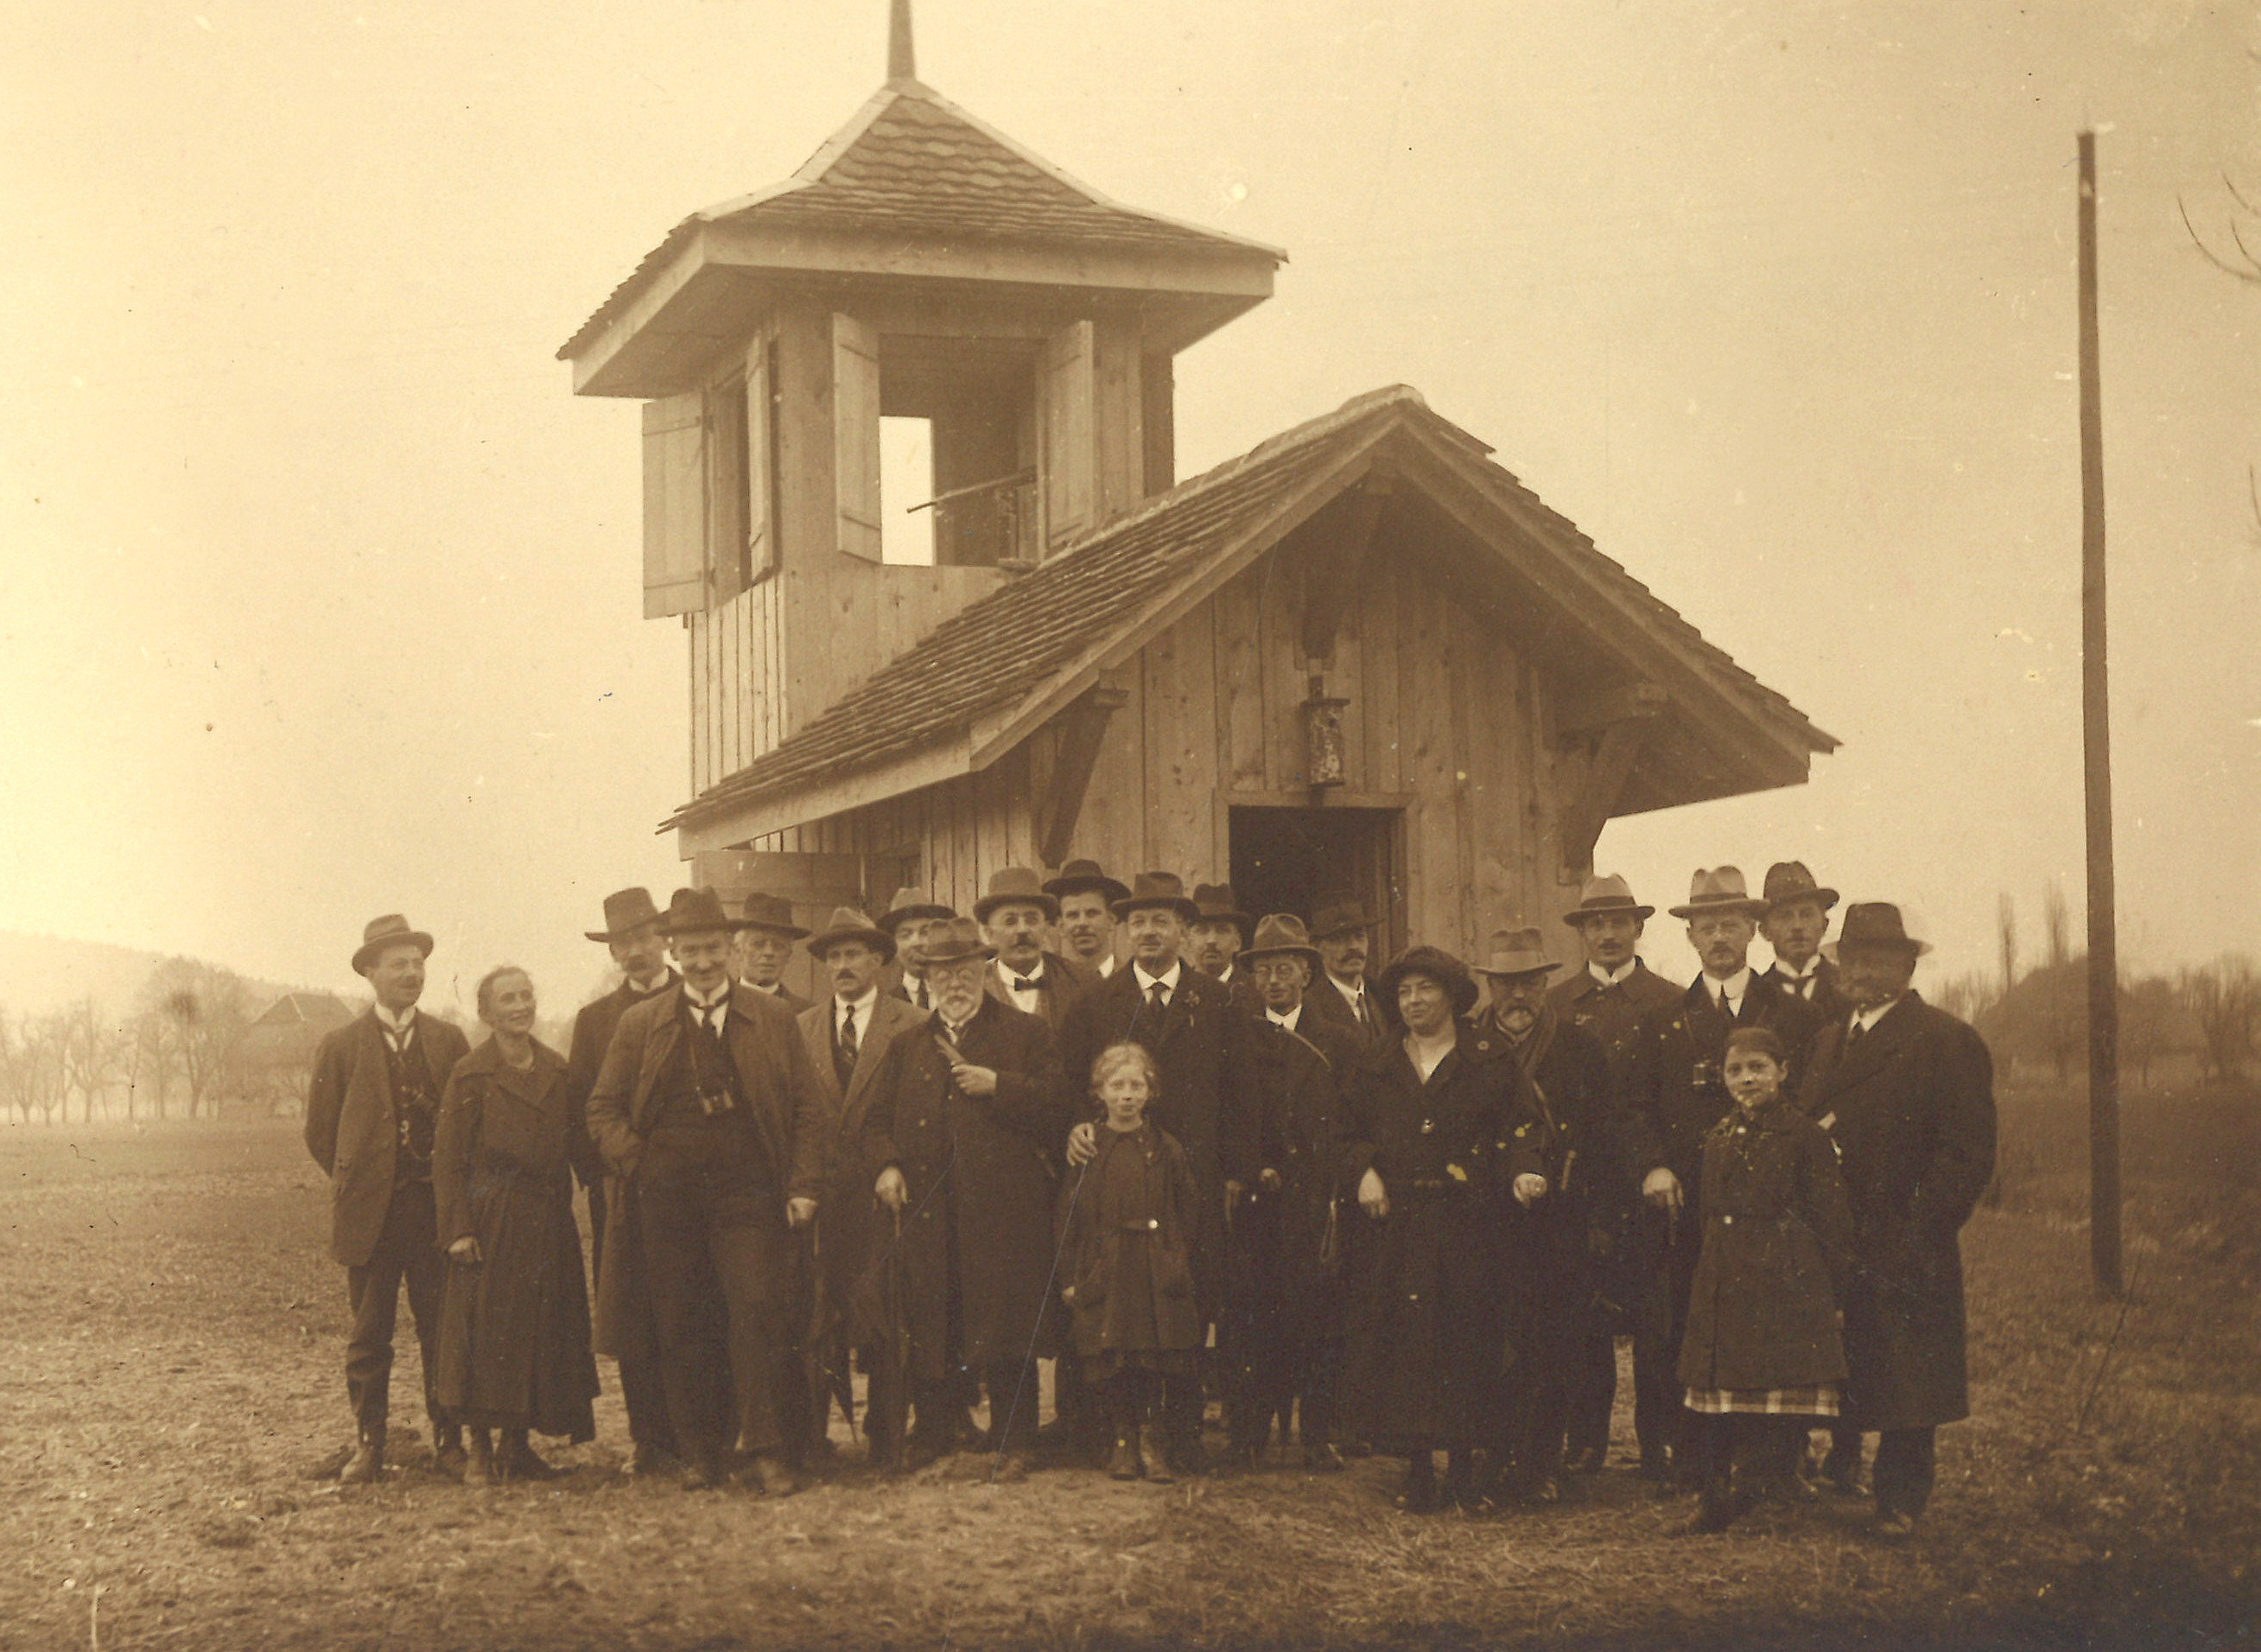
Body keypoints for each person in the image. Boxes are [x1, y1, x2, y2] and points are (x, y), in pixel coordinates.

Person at [585, 886, 829, 1493]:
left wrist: (801, 1184)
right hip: (667, 1203)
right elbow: (602, 1110)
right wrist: (639, 1163)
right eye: (689, 951)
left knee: (755, 1313)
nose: (700, 964)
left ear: (732, 949)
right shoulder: (641, 1024)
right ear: (673, 950)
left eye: (712, 950)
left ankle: (765, 1448)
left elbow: (806, 1109)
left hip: (748, 1197)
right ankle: (700, 1453)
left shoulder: (772, 1020)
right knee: (682, 1322)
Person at [1796, 904, 1996, 1537]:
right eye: (1851, 958)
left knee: (1911, 1375)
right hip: (1837, 1235)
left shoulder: (1943, 1038)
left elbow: (1965, 1152)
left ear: (1907, 966)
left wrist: (1921, 1228)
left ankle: (1901, 1498)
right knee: (1851, 1361)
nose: (1861, 970)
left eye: (1878, 958)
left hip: (1907, 1235)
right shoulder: (1829, 1040)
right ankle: (1837, 1473)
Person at [1622, 867, 1822, 1485]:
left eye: (1730, 923)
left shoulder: (1790, 1014)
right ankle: (1692, 1455)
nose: (1717, 937)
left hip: (1769, 1204)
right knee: (1688, 1321)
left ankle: (1772, 1460)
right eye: (1704, 925)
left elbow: (1812, 1102)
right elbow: (1634, 1108)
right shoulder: (1662, 1018)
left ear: (1751, 930)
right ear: (1688, 937)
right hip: (1689, 1203)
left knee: (1768, 1322)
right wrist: (1652, 1165)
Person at [1058, 871, 1261, 1473]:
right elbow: (1068, 1085)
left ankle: (1180, 1432)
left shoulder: (1219, 1000)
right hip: (1118, 1176)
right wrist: (1075, 1127)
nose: (1149, 932)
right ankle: (1114, 1435)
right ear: (1126, 929)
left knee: (1185, 1302)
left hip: (1190, 1184)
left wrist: (1235, 1174)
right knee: (1116, 1304)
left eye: (1162, 921)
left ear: (1183, 930)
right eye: (1139, 921)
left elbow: (1242, 1094)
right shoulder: (1095, 1002)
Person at [1340, 945, 1545, 1513]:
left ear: (1451, 997)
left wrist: (1525, 1168)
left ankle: (1461, 1468)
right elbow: (1344, 1132)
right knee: (1406, 1343)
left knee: (1466, 1338)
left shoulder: (1487, 1057)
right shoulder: (1376, 1062)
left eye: (1424, 990)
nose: (1413, 1001)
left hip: (1471, 1224)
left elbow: (1522, 1124)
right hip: (1399, 1226)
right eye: (1403, 993)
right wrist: (1363, 1173)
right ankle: (1415, 1470)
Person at [862, 917, 1070, 1477]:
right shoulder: (906, 1045)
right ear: (925, 979)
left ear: (983, 971)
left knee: (1006, 1321)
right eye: (941, 973)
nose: (954, 983)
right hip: (930, 1213)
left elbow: (1058, 1103)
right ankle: (936, 1431)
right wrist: (885, 1165)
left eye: (964, 970)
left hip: (1004, 1211)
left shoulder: (1026, 1035)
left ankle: (1014, 1439)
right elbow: (874, 1120)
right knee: (936, 1319)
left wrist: (1000, 1085)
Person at [304, 914, 473, 1484]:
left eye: (418, 963)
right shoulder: (341, 1046)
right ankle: (370, 1444)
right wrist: (364, 1181)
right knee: (370, 1334)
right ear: (370, 971)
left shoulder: (448, 1041)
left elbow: (466, 1124)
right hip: (370, 1219)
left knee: (442, 1329)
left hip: (433, 1214)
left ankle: (448, 1441)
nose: (411, 973)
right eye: (398, 963)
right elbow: (321, 1134)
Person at [1678, 1026, 1855, 1534]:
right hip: (1725, 1276)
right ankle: (1714, 1497)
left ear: (1782, 1072)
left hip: (1783, 1276)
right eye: (1735, 1070)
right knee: (1720, 1395)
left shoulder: (1805, 1137)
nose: (1746, 1079)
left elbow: (1830, 1218)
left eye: (1758, 1067)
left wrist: (1831, 1290)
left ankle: (1764, 1490)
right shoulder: (1717, 1137)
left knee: (1772, 1393)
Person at [1475, 925, 1624, 1504]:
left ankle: (1541, 1462)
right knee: (1492, 1341)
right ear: (1490, 987)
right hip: (1488, 1219)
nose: (1518, 997)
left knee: (1556, 1344)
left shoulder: (1579, 1049)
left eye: (1530, 984)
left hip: (1561, 1219)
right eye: (1506, 984)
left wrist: (1601, 1222)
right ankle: (1495, 1456)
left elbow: (1606, 1139)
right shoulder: (1472, 1048)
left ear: (1545, 986)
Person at [434, 966, 600, 1486]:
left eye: (527, 995)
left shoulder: (558, 1070)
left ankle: (518, 1446)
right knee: (487, 1332)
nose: (520, 1006)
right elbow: (449, 1161)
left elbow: (582, 1148)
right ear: (486, 1013)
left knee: (540, 1330)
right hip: (491, 1217)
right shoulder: (470, 1074)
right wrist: (459, 1228)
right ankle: (481, 1448)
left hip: (548, 1217)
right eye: (508, 998)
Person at [1547, 874, 1681, 1475]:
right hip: (1581, 1189)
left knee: (1656, 1319)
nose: (1606, 934)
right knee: (1582, 1319)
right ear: (1581, 935)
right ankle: (1587, 1440)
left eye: (1616, 923)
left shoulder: (1669, 1001)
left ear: (1637, 929)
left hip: (1648, 1185)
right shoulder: (1557, 1005)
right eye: (1594, 925)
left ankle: (1658, 1440)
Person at [1229, 913, 1363, 1470]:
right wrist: (1249, 1165)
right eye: (1264, 971)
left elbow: (1358, 1122)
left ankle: (1317, 1434)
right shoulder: (1235, 1036)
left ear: (1308, 974)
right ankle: (1249, 1435)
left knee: (1318, 1315)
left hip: (1316, 1200)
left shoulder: (1341, 1042)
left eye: (1286, 969)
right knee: (1252, 1316)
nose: (1275, 981)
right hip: (1256, 1204)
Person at [795, 906, 926, 1467]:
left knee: (886, 1315)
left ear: (877, 960)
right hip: (822, 1194)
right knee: (817, 1317)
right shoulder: (799, 1027)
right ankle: (812, 1437)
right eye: (833, 957)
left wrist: (893, 1165)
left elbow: (917, 1113)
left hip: (883, 1190)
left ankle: (887, 1436)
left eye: (853, 955)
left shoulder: (912, 1023)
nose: (843, 966)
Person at [563, 886, 688, 1475]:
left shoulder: (698, 1000)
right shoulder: (594, 1022)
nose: (635, 952)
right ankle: (650, 1439)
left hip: (694, 1190)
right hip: (623, 1195)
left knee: (694, 1311)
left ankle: (700, 1433)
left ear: (664, 939)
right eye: (623, 943)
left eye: (643, 938)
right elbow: (580, 1111)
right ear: (612, 953)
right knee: (634, 1315)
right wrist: (603, 1182)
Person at [1057, 1042, 1204, 1484]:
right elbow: (1067, 1215)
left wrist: (1177, 1258)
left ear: (1150, 1092)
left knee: (1155, 1356)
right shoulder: (1087, 1147)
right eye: (1116, 1085)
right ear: (1099, 1093)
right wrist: (1070, 1275)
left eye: (1136, 1085)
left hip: (1155, 1265)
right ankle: (1122, 1439)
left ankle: (1152, 1440)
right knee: (1114, 1355)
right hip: (1107, 1265)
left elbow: (1188, 1210)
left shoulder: (1166, 1148)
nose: (1126, 1095)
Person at [975, 866, 1094, 1032]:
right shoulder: (975, 987)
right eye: (1010, 921)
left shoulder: (1080, 982)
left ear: (1045, 928)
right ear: (989, 934)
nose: (1022, 929)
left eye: (1031, 920)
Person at [1758, 862, 1845, 1015]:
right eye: (1784, 917)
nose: (1797, 926)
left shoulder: (1847, 987)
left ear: (1824, 925)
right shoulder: (1754, 996)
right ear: (1765, 931)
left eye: (1807, 915)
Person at [1305, 897, 1387, 1048]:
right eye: (1339, 939)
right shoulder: (1309, 1007)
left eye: (1359, 936)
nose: (1354, 946)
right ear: (1317, 948)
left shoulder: (1384, 996)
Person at [1045, 860, 1127, 981]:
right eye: (1073, 915)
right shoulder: (1051, 983)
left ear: (1110, 921)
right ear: (1061, 927)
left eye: (1092, 913)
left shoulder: (1133, 980)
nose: (1082, 923)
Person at [1188, 884, 1261, 1015]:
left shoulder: (1257, 990)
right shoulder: (1177, 990)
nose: (1211, 940)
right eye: (1202, 931)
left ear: (1237, 943)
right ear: (1188, 941)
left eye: (1222, 931)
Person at [734, 893, 814, 1012]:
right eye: (758, 944)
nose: (769, 952)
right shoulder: (717, 1007)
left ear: (788, 954)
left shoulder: (807, 1014)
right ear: (738, 950)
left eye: (778, 946)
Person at [880, 887, 956, 1011]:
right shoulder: (883, 1007)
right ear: (894, 947)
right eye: (905, 935)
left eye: (925, 932)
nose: (916, 943)